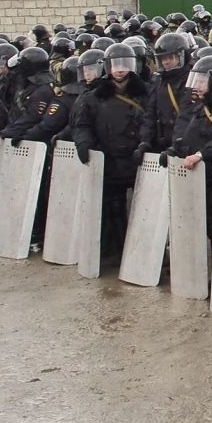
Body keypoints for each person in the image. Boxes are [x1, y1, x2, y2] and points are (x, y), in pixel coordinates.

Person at [71, 42, 148, 262]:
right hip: (110, 158)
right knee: (112, 207)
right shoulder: (93, 97)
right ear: (107, 67)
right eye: (116, 65)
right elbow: (82, 124)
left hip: (136, 159)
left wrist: (146, 144)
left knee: (141, 208)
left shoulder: (145, 93)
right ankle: (115, 249)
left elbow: (153, 122)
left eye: (125, 64)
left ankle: (141, 252)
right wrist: (84, 144)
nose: (120, 69)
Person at [141, 31, 193, 162]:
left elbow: (186, 115)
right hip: (164, 142)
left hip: (185, 144)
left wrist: (176, 146)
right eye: (163, 58)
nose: (166, 62)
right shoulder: (159, 81)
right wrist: (145, 141)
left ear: (181, 56)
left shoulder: (190, 80)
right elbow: (150, 114)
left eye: (171, 57)